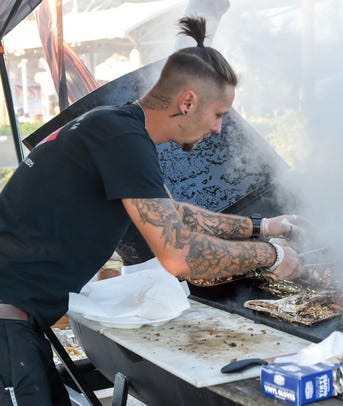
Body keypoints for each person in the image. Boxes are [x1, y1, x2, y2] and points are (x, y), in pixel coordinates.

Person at [0, 16, 304, 405]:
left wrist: (264, 227)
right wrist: (272, 256)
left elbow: (174, 214)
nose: (217, 128)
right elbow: (180, 257)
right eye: (219, 114)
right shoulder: (122, 138)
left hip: (19, 324)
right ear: (188, 101)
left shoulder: (114, 129)